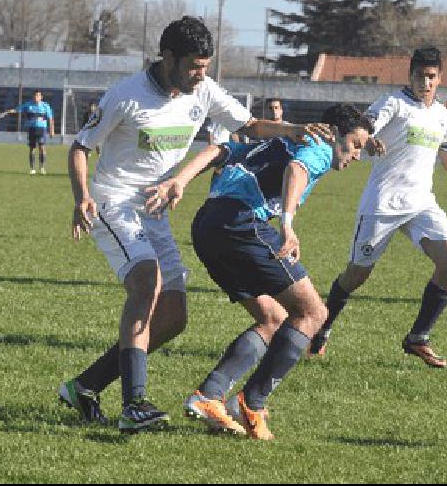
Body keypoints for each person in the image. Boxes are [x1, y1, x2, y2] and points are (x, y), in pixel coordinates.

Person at [58, 16, 332, 435]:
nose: (200, 74)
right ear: (167, 58)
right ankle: (135, 405)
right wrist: (82, 198)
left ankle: (85, 386)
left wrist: (293, 129)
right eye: (193, 66)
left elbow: (248, 127)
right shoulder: (125, 96)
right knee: (146, 283)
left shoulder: (202, 90)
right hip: (114, 202)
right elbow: (80, 147)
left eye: (205, 66)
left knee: (172, 318)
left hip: (155, 209)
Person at [145, 104, 374, 440]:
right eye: (354, 145)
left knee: (273, 318)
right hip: (242, 223)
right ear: (334, 132)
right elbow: (297, 170)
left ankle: (209, 396)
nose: (356, 155)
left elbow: (218, 150)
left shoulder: (281, 141)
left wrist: (179, 179)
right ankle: (252, 403)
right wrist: (287, 223)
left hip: (207, 226)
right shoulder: (319, 147)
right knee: (313, 312)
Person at [308, 47, 447, 368]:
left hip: (421, 204)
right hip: (382, 203)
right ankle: (322, 327)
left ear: (440, 78)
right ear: (410, 75)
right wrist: (369, 140)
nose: (425, 82)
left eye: (431, 77)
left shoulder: (441, 115)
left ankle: (418, 338)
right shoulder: (392, 103)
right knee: (356, 275)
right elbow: (363, 127)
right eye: (419, 76)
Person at [0, 90, 55, 174]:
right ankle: (32, 168)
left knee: (42, 148)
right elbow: (16, 110)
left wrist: (52, 130)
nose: (36, 97)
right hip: (32, 128)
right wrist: (6, 113)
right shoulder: (28, 105)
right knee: (32, 148)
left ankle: (42, 167)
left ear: (41, 97)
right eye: (35, 95)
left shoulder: (45, 106)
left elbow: (51, 118)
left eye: (38, 95)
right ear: (33, 96)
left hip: (42, 129)